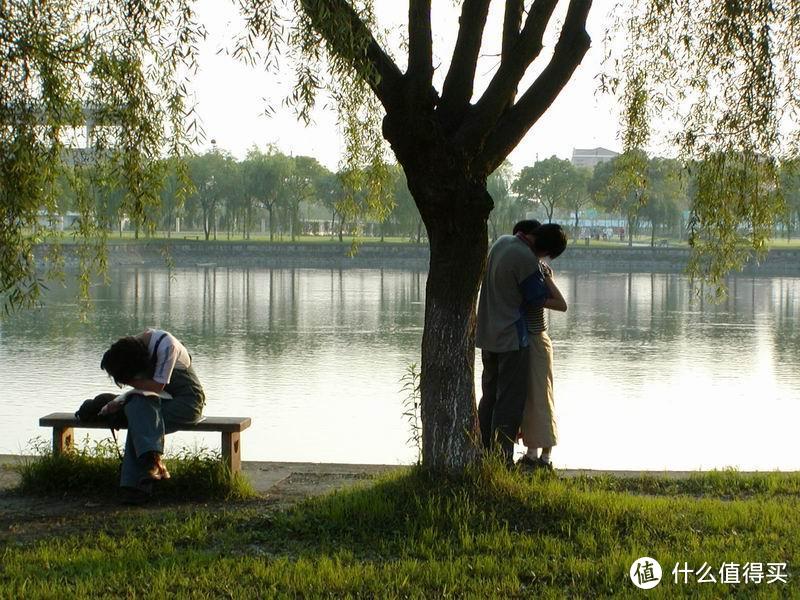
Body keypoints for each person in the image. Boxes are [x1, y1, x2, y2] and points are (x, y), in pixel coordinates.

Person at [476, 220, 567, 465]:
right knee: (509, 402)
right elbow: (539, 298)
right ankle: (501, 458)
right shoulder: (526, 260)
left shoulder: (501, 242)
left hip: (487, 335)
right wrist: (545, 277)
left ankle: (483, 452)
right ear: (545, 251)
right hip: (512, 340)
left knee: (489, 398)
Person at [100, 328, 205, 503]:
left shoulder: (166, 346)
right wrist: (118, 401)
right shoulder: (134, 347)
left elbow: (156, 387)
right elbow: (142, 391)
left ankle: (135, 486)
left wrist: (127, 387)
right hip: (161, 401)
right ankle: (152, 467)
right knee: (138, 411)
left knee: (140, 419)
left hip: (188, 403)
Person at [512, 220, 568, 472]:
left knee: (541, 399)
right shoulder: (530, 265)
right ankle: (533, 454)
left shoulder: (537, 269)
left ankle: (543, 457)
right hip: (531, 340)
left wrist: (547, 280)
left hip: (536, 340)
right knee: (532, 398)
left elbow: (561, 304)